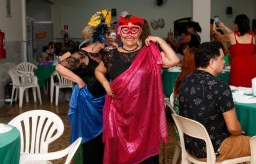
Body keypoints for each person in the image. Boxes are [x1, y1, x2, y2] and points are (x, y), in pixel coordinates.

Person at [95, 15, 180, 164]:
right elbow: (98, 71)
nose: (129, 34)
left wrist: (160, 40)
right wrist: (105, 84)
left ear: (140, 32)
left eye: (134, 30)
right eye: (125, 30)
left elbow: (174, 60)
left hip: (144, 115)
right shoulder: (110, 55)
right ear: (120, 32)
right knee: (120, 152)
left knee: (145, 153)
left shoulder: (150, 53)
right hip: (118, 113)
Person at [179, 41, 250, 162]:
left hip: (191, 147)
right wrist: (241, 131)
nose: (224, 62)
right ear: (212, 62)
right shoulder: (220, 86)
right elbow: (233, 128)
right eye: (222, 59)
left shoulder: (186, 81)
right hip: (215, 149)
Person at [56, 10, 111, 164]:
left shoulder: (101, 55)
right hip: (88, 105)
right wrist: (78, 80)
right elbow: (60, 68)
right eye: (103, 41)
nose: (104, 44)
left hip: (103, 104)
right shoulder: (82, 55)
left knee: (102, 141)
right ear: (96, 39)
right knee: (90, 140)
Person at [213, 14, 256, 87]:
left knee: (238, 87)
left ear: (236, 25)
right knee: (251, 86)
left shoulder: (232, 36)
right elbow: (234, 34)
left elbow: (221, 37)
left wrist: (214, 30)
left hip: (238, 65)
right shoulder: (252, 36)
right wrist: (223, 26)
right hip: (252, 65)